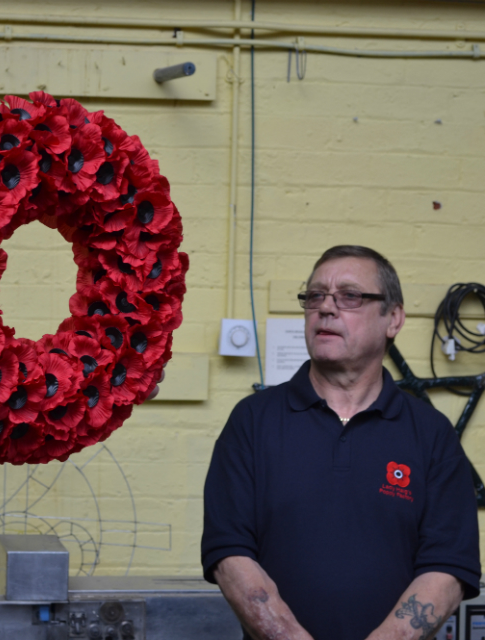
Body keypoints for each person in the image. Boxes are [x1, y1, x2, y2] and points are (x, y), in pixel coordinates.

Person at [201, 245, 481, 640]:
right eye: (315, 295)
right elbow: (229, 554)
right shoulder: (252, 421)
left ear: (393, 319)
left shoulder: (432, 434)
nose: (326, 308)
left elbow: (448, 568)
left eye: (349, 296)